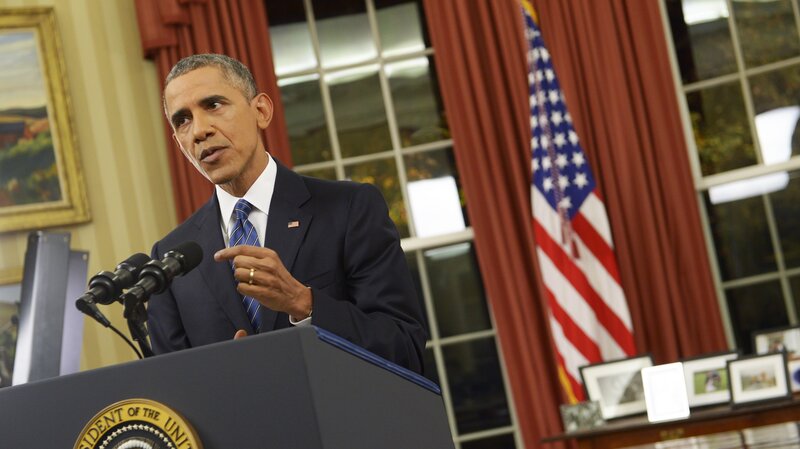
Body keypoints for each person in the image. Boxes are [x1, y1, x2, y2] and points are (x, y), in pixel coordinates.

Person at [146, 54, 426, 373]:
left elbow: (404, 346)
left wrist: (304, 303)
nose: (199, 130)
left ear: (261, 111)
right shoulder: (170, 259)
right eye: (183, 120)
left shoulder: (350, 208)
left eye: (213, 105)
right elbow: (174, 391)